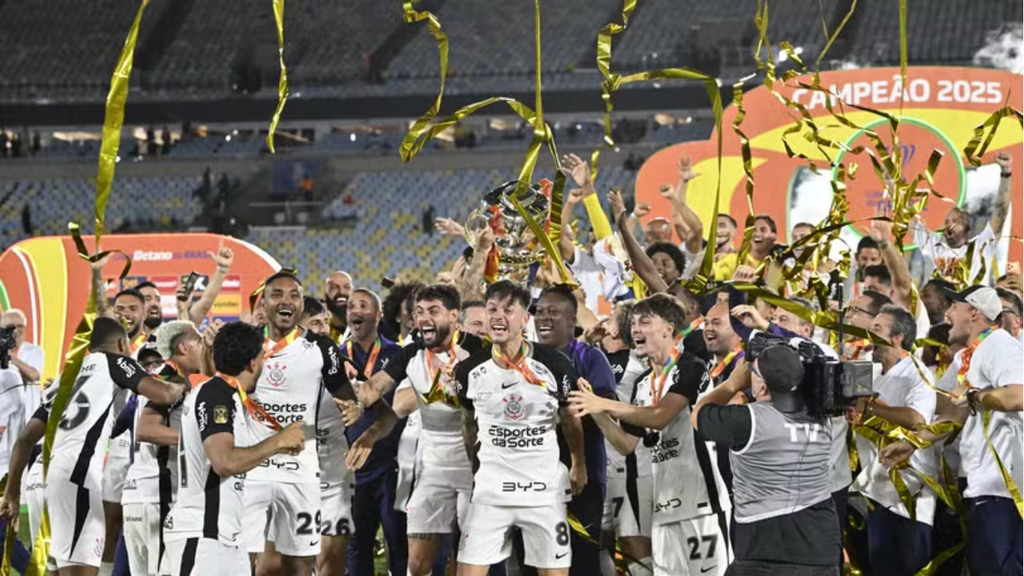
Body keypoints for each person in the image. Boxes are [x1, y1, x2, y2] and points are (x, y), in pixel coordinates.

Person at [0, 317, 186, 576]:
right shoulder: (116, 361)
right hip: (75, 475)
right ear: (122, 343)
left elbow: (25, 439)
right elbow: (163, 393)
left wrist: (11, 493)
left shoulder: (68, 375)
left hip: (38, 476)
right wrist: (178, 384)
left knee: (56, 570)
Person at [569, 293, 731, 576]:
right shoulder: (643, 384)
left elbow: (660, 416)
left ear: (669, 328)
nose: (635, 329)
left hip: (701, 507)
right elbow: (626, 445)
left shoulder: (691, 366)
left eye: (645, 321)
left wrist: (604, 403)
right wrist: (591, 406)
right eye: (633, 323)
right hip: (663, 511)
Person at [882, 285, 1023, 575]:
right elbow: (951, 411)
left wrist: (974, 396)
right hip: (979, 485)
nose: (946, 313)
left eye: (954, 307)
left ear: (975, 312)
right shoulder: (964, 358)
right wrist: (911, 443)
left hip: (1004, 486)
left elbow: (1017, 396)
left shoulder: (999, 343)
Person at [347, 284, 483, 575]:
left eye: (433, 311)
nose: (423, 318)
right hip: (432, 468)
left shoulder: (478, 350)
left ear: (454, 316)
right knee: (418, 563)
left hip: (476, 468)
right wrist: (345, 379)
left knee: (467, 560)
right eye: (419, 312)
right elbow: (372, 393)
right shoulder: (411, 353)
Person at [454, 280, 586, 576]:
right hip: (491, 494)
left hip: (543, 492)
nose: (498, 316)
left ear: (525, 319)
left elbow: (570, 417)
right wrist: (473, 462)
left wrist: (578, 462)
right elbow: (467, 419)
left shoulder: (556, 365)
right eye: (492, 309)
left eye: (508, 310)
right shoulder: (468, 371)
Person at [239, 272, 362, 576]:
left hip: (302, 470)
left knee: (300, 564)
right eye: (277, 294)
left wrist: (354, 407)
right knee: (243, 560)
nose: (286, 300)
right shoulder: (245, 342)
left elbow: (344, 392)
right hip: (253, 467)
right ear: (264, 304)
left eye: (294, 295)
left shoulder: (322, 347)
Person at [164, 322, 305, 573]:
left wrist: (277, 445)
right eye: (262, 359)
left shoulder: (227, 395)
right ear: (253, 363)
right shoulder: (216, 394)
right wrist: (278, 441)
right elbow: (224, 461)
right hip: (201, 534)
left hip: (227, 536)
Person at [691, 347, 840, 576]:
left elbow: (698, 415)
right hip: (821, 545)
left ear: (761, 386)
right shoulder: (822, 416)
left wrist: (732, 384)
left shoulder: (746, 420)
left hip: (765, 547)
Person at [535, 284, 618, 576]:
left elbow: (608, 406)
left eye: (554, 312)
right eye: (540, 311)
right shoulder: (526, 358)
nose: (543, 318)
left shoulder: (590, 357)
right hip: (534, 477)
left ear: (573, 321)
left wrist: (572, 408)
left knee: (582, 560)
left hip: (582, 478)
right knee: (536, 560)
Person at [850, 305, 936, 576]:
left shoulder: (917, 373)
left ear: (897, 337)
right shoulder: (871, 373)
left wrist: (870, 407)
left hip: (911, 498)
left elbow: (916, 419)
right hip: (877, 493)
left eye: (877, 329)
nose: (868, 333)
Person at [122, 321, 205, 576]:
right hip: (157, 494)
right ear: (183, 347)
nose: (204, 348)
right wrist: (198, 441)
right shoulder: (171, 381)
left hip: (141, 493)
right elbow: (146, 430)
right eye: (199, 342)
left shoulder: (158, 378)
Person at [912, 151, 1013, 284]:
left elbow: (1001, 211)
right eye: (946, 221)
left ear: (966, 225)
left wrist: (1006, 172)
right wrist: (890, 182)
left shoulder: (980, 249)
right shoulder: (932, 246)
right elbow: (906, 215)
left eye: (955, 221)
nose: (949, 225)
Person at [1, 309, 44, 423]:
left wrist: (9, 356)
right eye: (11, 326)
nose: (16, 330)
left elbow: (33, 375)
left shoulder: (34, 351)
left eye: (20, 326)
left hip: (27, 420)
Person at [713, 215, 777, 281]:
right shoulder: (733, 260)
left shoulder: (779, 264)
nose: (757, 234)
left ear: (773, 236)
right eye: (754, 230)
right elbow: (713, 274)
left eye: (763, 230)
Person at [323, 270, 354, 343]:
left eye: (346, 287)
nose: (341, 292)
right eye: (333, 287)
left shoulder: (368, 330)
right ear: (325, 297)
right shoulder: (320, 332)